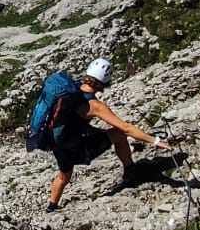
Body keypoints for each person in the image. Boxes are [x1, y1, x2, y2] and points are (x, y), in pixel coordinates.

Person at [46, 57, 174, 211]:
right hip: (76, 147)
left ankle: (51, 207)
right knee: (119, 134)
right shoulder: (95, 105)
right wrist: (154, 140)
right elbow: (126, 128)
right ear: (106, 82)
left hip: (58, 143)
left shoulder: (71, 90)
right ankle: (130, 171)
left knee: (64, 176)